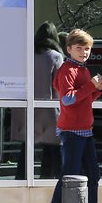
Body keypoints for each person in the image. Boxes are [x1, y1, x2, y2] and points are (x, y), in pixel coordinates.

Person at [42, 29, 102, 203]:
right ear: (69, 49)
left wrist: (97, 88)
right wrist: (91, 87)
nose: (84, 52)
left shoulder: (82, 70)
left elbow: (85, 100)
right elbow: (68, 100)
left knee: (93, 175)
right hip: (72, 131)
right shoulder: (67, 70)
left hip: (85, 130)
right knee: (69, 177)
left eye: (87, 49)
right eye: (79, 48)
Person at [11, 22, 63, 180]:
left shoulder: (26, 55)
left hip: (28, 109)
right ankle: (54, 185)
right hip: (48, 109)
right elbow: (58, 88)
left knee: (26, 150)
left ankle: (20, 183)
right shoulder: (55, 56)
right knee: (54, 151)